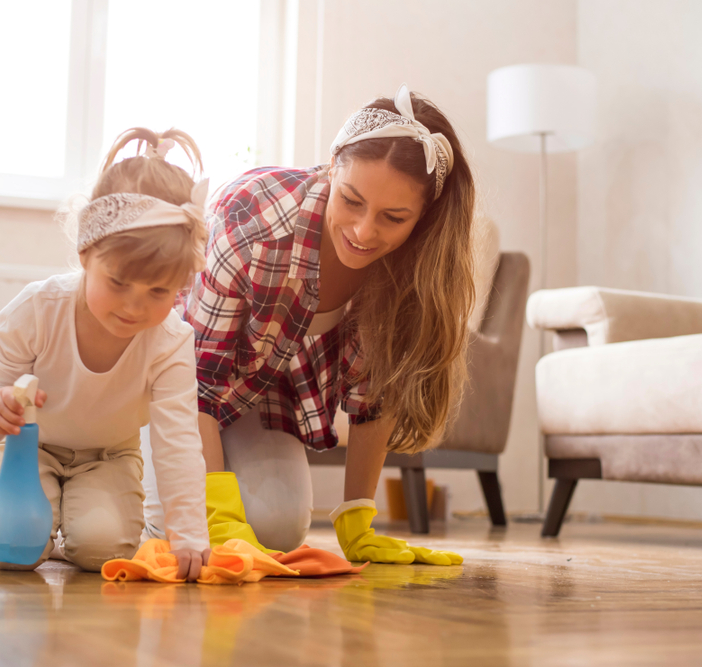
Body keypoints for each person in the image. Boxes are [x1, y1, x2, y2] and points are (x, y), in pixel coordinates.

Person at [144, 84, 471, 565]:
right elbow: (196, 383)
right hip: (166, 385)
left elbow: (373, 397)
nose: (364, 232)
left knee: (278, 529)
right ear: (332, 167)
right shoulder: (251, 219)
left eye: (393, 217)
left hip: (255, 395)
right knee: (178, 531)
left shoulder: (412, 269)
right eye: (352, 200)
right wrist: (213, 513)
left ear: (422, 219)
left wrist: (358, 516)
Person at [0, 128, 211, 579]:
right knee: (10, 549)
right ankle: (17, 528)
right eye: (118, 283)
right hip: (28, 447)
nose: (134, 307)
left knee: (104, 552)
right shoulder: (35, 309)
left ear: (181, 286)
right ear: (85, 253)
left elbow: (177, 441)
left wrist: (190, 534)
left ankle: (61, 529)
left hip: (109, 455)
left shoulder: (171, 341)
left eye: (159, 291)